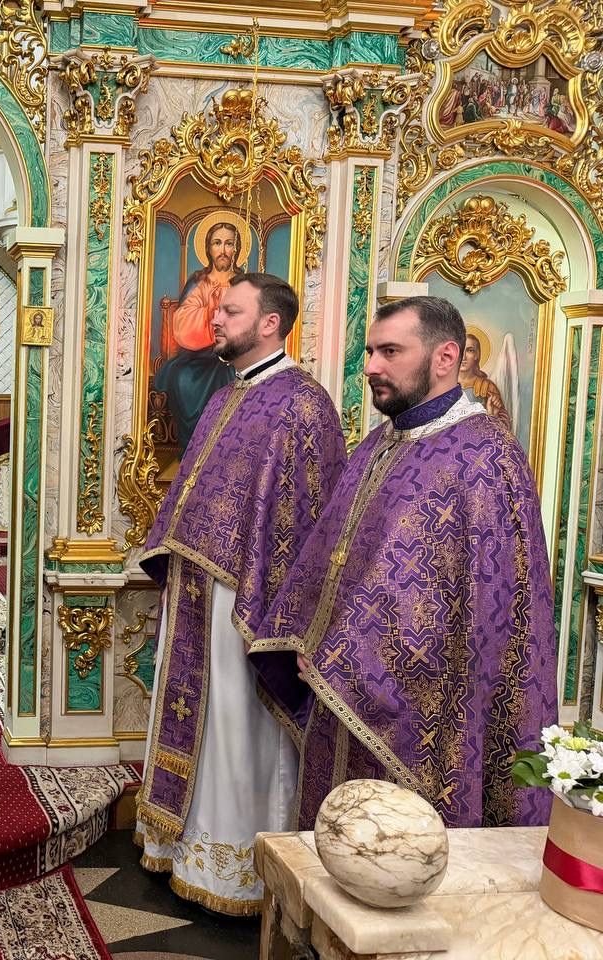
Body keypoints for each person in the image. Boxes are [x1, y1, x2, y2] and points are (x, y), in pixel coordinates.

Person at [253, 296, 558, 829]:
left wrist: (339, 656)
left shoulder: (485, 455)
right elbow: (334, 556)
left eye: (390, 351)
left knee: (394, 852)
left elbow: (486, 612)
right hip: (336, 690)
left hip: (425, 716)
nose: (371, 366)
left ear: (445, 357)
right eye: (370, 351)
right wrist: (307, 637)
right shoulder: (377, 443)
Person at [136, 273, 346, 915]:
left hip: (251, 601)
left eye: (231, 310)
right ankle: (184, 847)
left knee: (237, 727)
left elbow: (312, 519)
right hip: (199, 590)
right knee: (201, 723)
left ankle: (238, 869)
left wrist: (279, 603)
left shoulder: (303, 403)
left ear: (270, 324)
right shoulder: (228, 397)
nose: (216, 319)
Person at [154, 222, 242, 456]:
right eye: (217, 243)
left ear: (236, 249)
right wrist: (213, 312)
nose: (223, 250)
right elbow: (183, 321)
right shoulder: (198, 282)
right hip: (197, 356)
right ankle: (191, 453)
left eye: (229, 243)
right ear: (208, 248)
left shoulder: (244, 283)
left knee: (232, 379)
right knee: (182, 379)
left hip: (232, 356)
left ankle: (223, 454)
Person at [459, 330, 511, 431]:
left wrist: (493, 415)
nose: (464, 357)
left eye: (470, 350)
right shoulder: (445, 386)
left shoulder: (487, 386)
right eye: (461, 350)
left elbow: (505, 427)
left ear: (477, 355)